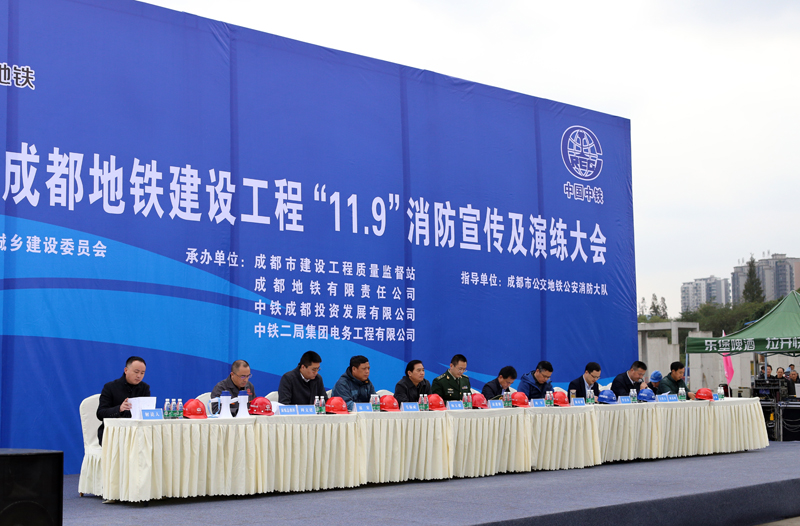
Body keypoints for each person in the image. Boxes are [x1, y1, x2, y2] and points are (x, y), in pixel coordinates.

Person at [96, 356, 150, 445]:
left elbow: (145, 412)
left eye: (142, 373)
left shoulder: (145, 388)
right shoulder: (110, 387)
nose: (139, 376)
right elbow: (100, 414)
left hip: (137, 433)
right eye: (136, 372)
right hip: (113, 434)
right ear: (126, 370)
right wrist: (119, 409)